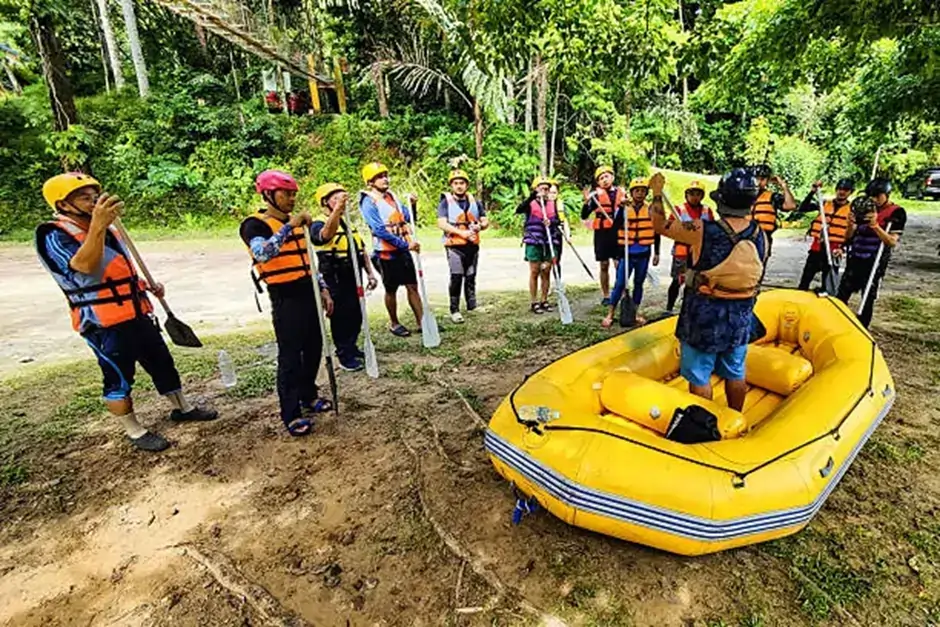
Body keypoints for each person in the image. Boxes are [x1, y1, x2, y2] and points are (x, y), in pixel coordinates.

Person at [35, 173, 217, 452]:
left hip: (136, 310)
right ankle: (133, 430)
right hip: (101, 321)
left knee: (161, 361)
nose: (93, 199)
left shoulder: (108, 227)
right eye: (84, 196)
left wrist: (146, 285)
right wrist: (97, 225)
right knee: (118, 375)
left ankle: (182, 408)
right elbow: (83, 267)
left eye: (94, 193)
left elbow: (114, 269)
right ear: (63, 205)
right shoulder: (52, 234)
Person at [650, 169, 769, 411]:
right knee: (736, 371)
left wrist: (657, 194)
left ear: (722, 200)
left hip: (704, 314)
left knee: (699, 374)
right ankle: (735, 419)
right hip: (741, 314)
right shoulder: (762, 235)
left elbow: (658, 225)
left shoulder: (702, 229)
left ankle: (707, 422)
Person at [240, 170, 335, 436]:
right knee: (291, 355)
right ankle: (291, 412)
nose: (291, 199)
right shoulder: (253, 225)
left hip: (310, 292)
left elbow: (309, 259)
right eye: (285, 194)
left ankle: (309, 395)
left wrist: (324, 289)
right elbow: (263, 254)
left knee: (314, 347)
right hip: (285, 297)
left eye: (294, 194)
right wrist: (290, 226)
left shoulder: (298, 223)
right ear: (268, 195)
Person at [311, 182, 379, 371]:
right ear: (325, 202)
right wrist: (337, 211)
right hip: (334, 276)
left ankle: (352, 347)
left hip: (352, 274)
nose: (341, 202)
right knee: (341, 316)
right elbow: (324, 236)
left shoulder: (347, 222)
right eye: (335, 198)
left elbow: (362, 250)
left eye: (342, 197)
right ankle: (344, 354)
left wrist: (371, 274)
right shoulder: (318, 223)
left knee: (356, 314)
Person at [358, 162, 423, 337]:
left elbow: (408, 218)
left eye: (385, 175)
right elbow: (379, 229)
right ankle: (394, 323)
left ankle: (422, 322)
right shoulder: (368, 201)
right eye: (379, 177)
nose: (385, 179)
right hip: (385, 254)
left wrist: (412, 205)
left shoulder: (392, 196)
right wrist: (405, 245)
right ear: (370, 182)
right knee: (391, 289)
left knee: (412, 286)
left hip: (403, 250)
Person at [836, 178, 906, 327]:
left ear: (887, 194)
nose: (874, 199)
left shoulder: (896, 212)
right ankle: (837, 322)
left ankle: (863, 327)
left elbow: (892, 242)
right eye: (871, 196)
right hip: (855, 258)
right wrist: (850, 225)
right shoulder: (863, 208)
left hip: (874, 260)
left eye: (878, 196)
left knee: (867, 297)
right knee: (842, 294)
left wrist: (875, 226)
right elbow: (849, 237)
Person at [600, 177, 660, 328]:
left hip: (643, 254)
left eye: (643, 191)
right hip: (627, 253)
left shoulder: (651, 209)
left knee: (638, 284)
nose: (640, 194)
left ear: (646, 193)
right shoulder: (624, 208)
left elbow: (656, 232)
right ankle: (611, 313)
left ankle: (635, 312)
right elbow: (615, 228)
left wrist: (657, 253)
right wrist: (620, 209)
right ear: (632, 192)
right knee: (620, 284)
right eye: (637, 191)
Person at [436, 169, 489, 323]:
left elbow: (485, 220)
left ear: (466, 185)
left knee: (471, 276)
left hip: (472, 244)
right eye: (456, 183)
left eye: (462, 183)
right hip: (454, 246)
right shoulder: (445, 202)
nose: (459, 186)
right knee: (457, 276)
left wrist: (480, 226)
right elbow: (441, 223)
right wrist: (461, 233)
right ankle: (454, 309)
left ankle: (472, 305)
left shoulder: (475, 202)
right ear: (451, 185)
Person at [796, 178, 855, 292]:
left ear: (850, 192)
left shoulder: (852, 210)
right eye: (839, 189)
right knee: (805, 280)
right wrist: (812, 192)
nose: (841, 192)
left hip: (834, 250)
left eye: (845, 190)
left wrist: (843, 249)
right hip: (817, 248)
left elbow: (852, 234)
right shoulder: (824, 204)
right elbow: (802, 208)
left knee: (827, 284)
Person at [666, 180, 713, 312]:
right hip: (682, 252)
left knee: (697, 281)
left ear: (702, 196)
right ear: (686, 195)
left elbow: (712, 230)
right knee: (677, 280)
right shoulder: (678, 210)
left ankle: (693, 308)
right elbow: (668, 228)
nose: (695, 196)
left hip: (699, 252)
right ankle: (669, 308)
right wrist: (680, 229)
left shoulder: (707, 211)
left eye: (698, 194)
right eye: (692, 193)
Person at [581, 166, 626, 304]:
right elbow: (584, 215)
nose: (604, 180)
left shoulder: (622, 194)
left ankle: (622, 292)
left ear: (612, 177)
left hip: (618, 231)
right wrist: (587, 202)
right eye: (601, 178)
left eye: (606, 176)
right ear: (598, 182)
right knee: (604, 264)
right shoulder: (596, 197)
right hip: (603, 233)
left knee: (619, 264)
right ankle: (606, 295)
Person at [517, 176, 561, 313]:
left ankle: (544, 300)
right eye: (541, 188)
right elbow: (519, 209)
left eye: (546, 188)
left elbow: (558, 221)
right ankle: (534, 301)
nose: (544, 190)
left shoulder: (553, 203)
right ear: (536, 189)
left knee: (546, 271)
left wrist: (551, 222)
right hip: (534, 241)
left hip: (549, 242)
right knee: (535, 271)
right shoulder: (530, 203)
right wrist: (532, 197)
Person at [749, 164, 796, 254]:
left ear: (768, 180)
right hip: (744, 238)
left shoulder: (772, 197)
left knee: (758, 266)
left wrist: (783, 186)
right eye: (756, 178)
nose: (758, 182)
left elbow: (791, 206)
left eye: (762, 179)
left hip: (763, 238)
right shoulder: (742, 195)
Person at [548, 181, 570, 273]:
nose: (552, 195)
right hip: (545, 235)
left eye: (554, 193)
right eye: (550, 192)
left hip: (557, 235)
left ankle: (558, 282)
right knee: (546, 262)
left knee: (556, 260)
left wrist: (568, 235)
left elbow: (564, 221)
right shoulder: (541, 204)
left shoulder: (560, 205)